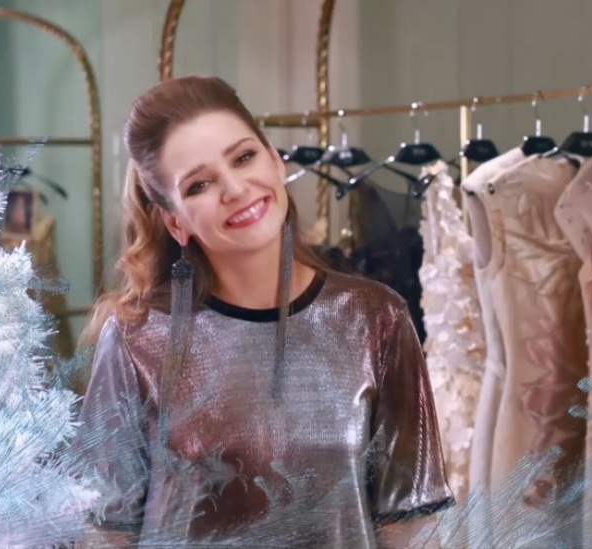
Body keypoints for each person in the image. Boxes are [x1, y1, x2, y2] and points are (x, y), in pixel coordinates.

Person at [74, 76, 453, 548]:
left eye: (243, 157)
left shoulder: (376, 319)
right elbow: (106, 532)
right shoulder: (138, 339)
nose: (235, 188)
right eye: (199, 184)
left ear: (275, 160)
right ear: (175, 222)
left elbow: (412, 523)